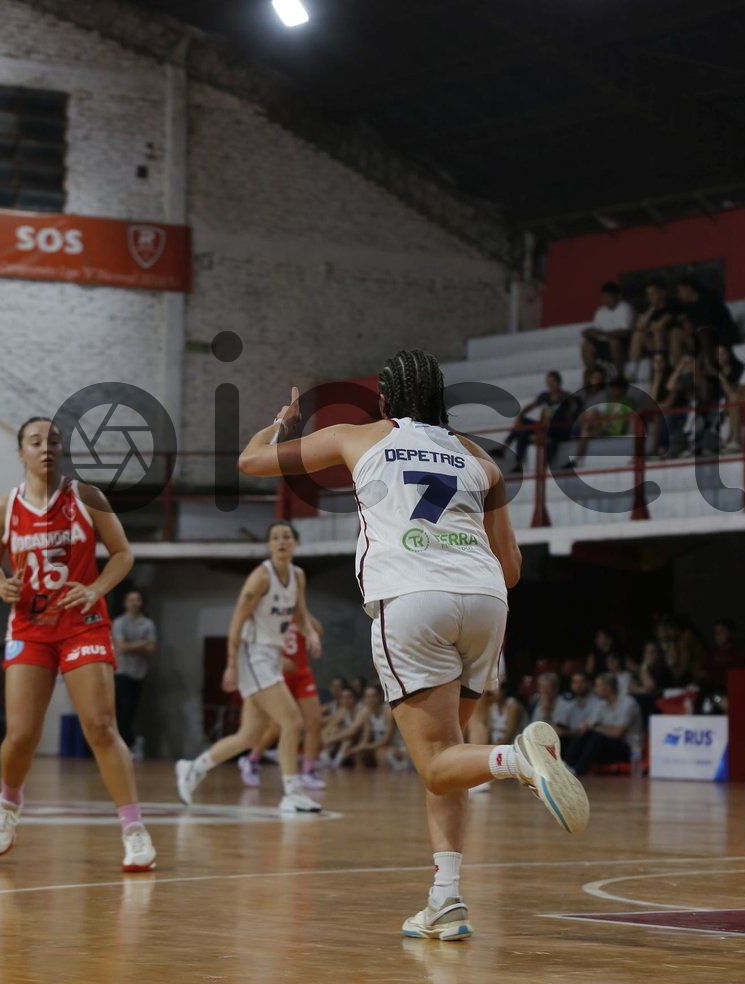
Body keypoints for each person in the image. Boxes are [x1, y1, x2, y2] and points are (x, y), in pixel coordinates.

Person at [238, 351, 589, 941]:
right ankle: (445, 899)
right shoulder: (479, 457)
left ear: (385, 400)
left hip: (411, 597)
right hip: (485, 601)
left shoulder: (356, 436)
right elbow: (510, 567)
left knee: (436, 761)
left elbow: (250, 461)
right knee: (449, 760)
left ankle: (516, 759)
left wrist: (283, 424)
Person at [0, 417, 155, 871]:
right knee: (21, 735)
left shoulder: (86, 497)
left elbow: (122, 554)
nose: (46, 447)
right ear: (21, 452)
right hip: (30, 626)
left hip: (82, 623)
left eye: (54, 440)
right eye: (35, 441)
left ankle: (134, 829)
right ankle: (7, 804)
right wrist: (0, 584)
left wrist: (95, 589)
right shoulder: (6, 507)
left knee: (100, 725)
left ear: (62, 449)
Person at [175, 521, 323, 813]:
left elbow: (300, 615)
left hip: (271, 656)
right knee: (292, 722)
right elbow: (237, 620)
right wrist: (231, 664)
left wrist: (311, 634)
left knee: (250, 735)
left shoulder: (298, 576)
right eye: (275, 538)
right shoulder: (261, 577)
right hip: (253, 655)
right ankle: (292, 793)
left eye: (286, 537)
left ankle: (193, 768)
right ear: (269, 545)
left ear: (295, 544)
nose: (281, 542)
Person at [237, 617, 325, 790]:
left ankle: (308, 771)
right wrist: (278, 660)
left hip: (302, 672)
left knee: (315, 722)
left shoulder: (299, 613)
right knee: (276, 727)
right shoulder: (272, 613)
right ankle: (251, 759)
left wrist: (302, 612)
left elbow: (318, 631)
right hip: (278, 672)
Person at [564, 673, 643, 776]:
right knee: (586, 734)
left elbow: (618, 733)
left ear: (608, 688)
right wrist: (588, 727)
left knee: (596, 737)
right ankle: (565, 765)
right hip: (607, 746)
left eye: (597, 686)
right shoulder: (601, 704)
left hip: (629, 749)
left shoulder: (628, 703)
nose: (595, 689)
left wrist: (596, 727)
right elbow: (589, 725)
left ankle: (577, 771)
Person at [111, 589, 157, 753]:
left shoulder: (148, 624)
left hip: (139, 673)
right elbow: (122, 647)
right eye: (131, 600)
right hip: (121, 671)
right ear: (125, 603)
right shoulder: (119, 623)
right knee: (123, 707)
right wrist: (142, 643)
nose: (134, 603)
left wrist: (133, 646)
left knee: (132, 710)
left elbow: (152, 648)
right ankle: (125, 744)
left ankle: (130, 743)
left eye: (137, 600)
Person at [503, 372, 581, 467]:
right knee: (522, 423)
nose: (550, 384)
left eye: (553, 382)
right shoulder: (545, 396)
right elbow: (532, 406)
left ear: (559, 382)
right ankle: (506, 447)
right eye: (548, 382)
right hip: (543, 426)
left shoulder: (565, 396)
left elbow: (575, 407)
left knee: (524, 433)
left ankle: (517, 458)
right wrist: (520, 415)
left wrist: (569, 418)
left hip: (556, 427)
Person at [581, 281, 634, 375]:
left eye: (608, 296)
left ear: (617, 296)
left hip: (624, 344)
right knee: (586, 345)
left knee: (614, 342)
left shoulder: (625, 308)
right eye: (603, 297)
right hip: (604, 343)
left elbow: (625, 332)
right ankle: (594, 375)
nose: (605, 299)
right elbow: (597, 331)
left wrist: (603, 333)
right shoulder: (600, 312)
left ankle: (620, 376)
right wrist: (589, 333)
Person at [629, 281, 679, 374]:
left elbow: (661, 325)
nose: (650, 297)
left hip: (668, 338)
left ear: (662, 293)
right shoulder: (649, 308)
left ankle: (662, 368)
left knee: (657, 333)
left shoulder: (671, 304)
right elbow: (640, 326)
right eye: (648, 294)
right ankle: (631, 371)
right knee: (637, 335)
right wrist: (652, 308)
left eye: (653, 293)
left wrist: (650, 326)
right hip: (652, 340)